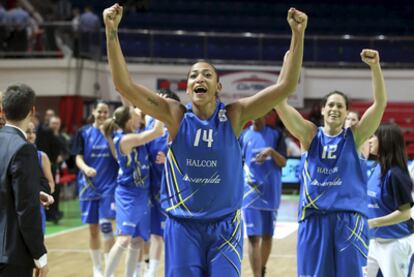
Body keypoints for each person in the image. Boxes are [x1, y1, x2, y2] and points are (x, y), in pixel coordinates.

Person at [103, 3, 306, 276]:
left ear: (218, 87)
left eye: (207, 74)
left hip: (226, 227)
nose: (200, 78)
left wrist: (298, 34)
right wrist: (111, 32)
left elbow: (286, 88)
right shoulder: (175, 115)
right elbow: (123, 85)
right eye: (194, 75)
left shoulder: (234, 115)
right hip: (182, 227)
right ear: (187, 88)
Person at [275, 49, 387, 276]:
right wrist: (286, 68)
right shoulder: (309, 135)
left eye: (340, 106)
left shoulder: (354, 137)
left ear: (346, 113)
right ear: (323, 110)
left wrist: (375, 67)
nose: (335, 109)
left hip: (349, 221)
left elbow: (381, 103)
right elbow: (279, 103)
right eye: (331, 105)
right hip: (314, 220)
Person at [102, 106, 164, 277]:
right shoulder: (125, 140)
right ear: (130, 121)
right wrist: (160, 105)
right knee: (124, 239)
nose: (141, 114)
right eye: (137, 114)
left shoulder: (135, 134)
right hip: (128, 194)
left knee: (137, 241)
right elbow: (158, 131)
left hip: (143, 194)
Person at [0, 83, 48, 276]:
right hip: (11, 255)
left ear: (3, 109)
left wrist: (33, 192)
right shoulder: (24, 149)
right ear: (32, 111)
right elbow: (26, 210)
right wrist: (40, 256)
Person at [71, 101, 118, 277]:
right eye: (100, 112)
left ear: (109, 114)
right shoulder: (83, 132)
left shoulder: (114, 132)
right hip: (88, 186)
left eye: (106, 112)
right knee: (93, 230)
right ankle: (97, 268)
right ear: (94, 112)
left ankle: (109, 270)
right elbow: (78, 157)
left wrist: (108, 137)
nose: (102, 115)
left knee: (106, 227)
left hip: (109, 186)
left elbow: (117, 156)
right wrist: (85, 168)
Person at [239, 114, 286, 277]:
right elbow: (238, 162)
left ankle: (262, 270)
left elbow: (283, 162)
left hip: (271, 192)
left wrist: (271, 152)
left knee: (267, 236)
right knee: (253, 238)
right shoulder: (244, 136)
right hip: (250, 193)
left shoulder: (276, 134)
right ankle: (256, 275)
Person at [366, 123, 414, 277]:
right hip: (373, 241)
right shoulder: (376, 167)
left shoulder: (396, 174)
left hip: (395, 243)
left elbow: (405, 214)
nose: (370, 140)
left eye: (374, 136)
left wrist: (373, 223)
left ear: (385, 141)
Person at [144, 89, 181, 277]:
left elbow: (193, 158)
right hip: (149, 187)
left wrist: (170, 160)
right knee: (150, 235)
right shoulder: (149, 122)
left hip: (174, 190)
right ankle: (148, 271)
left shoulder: (181, 125)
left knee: (171, 236)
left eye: (164, 101)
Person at [26, 121, 56, 233]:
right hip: (17, 207)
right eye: (27, 132)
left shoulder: (41, 156)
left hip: (36, 207)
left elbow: (51, 183)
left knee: (37, 244)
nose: (31, 135)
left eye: (33, 132)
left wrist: (46, 196)